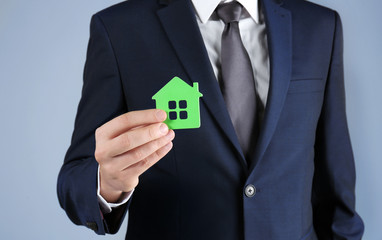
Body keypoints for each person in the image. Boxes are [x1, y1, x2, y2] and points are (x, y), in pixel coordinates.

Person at [57, 0, 364, 239]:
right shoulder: (119, 29)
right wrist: (107, 184)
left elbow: (335, 176)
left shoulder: (321, 26)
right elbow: (74, 177)